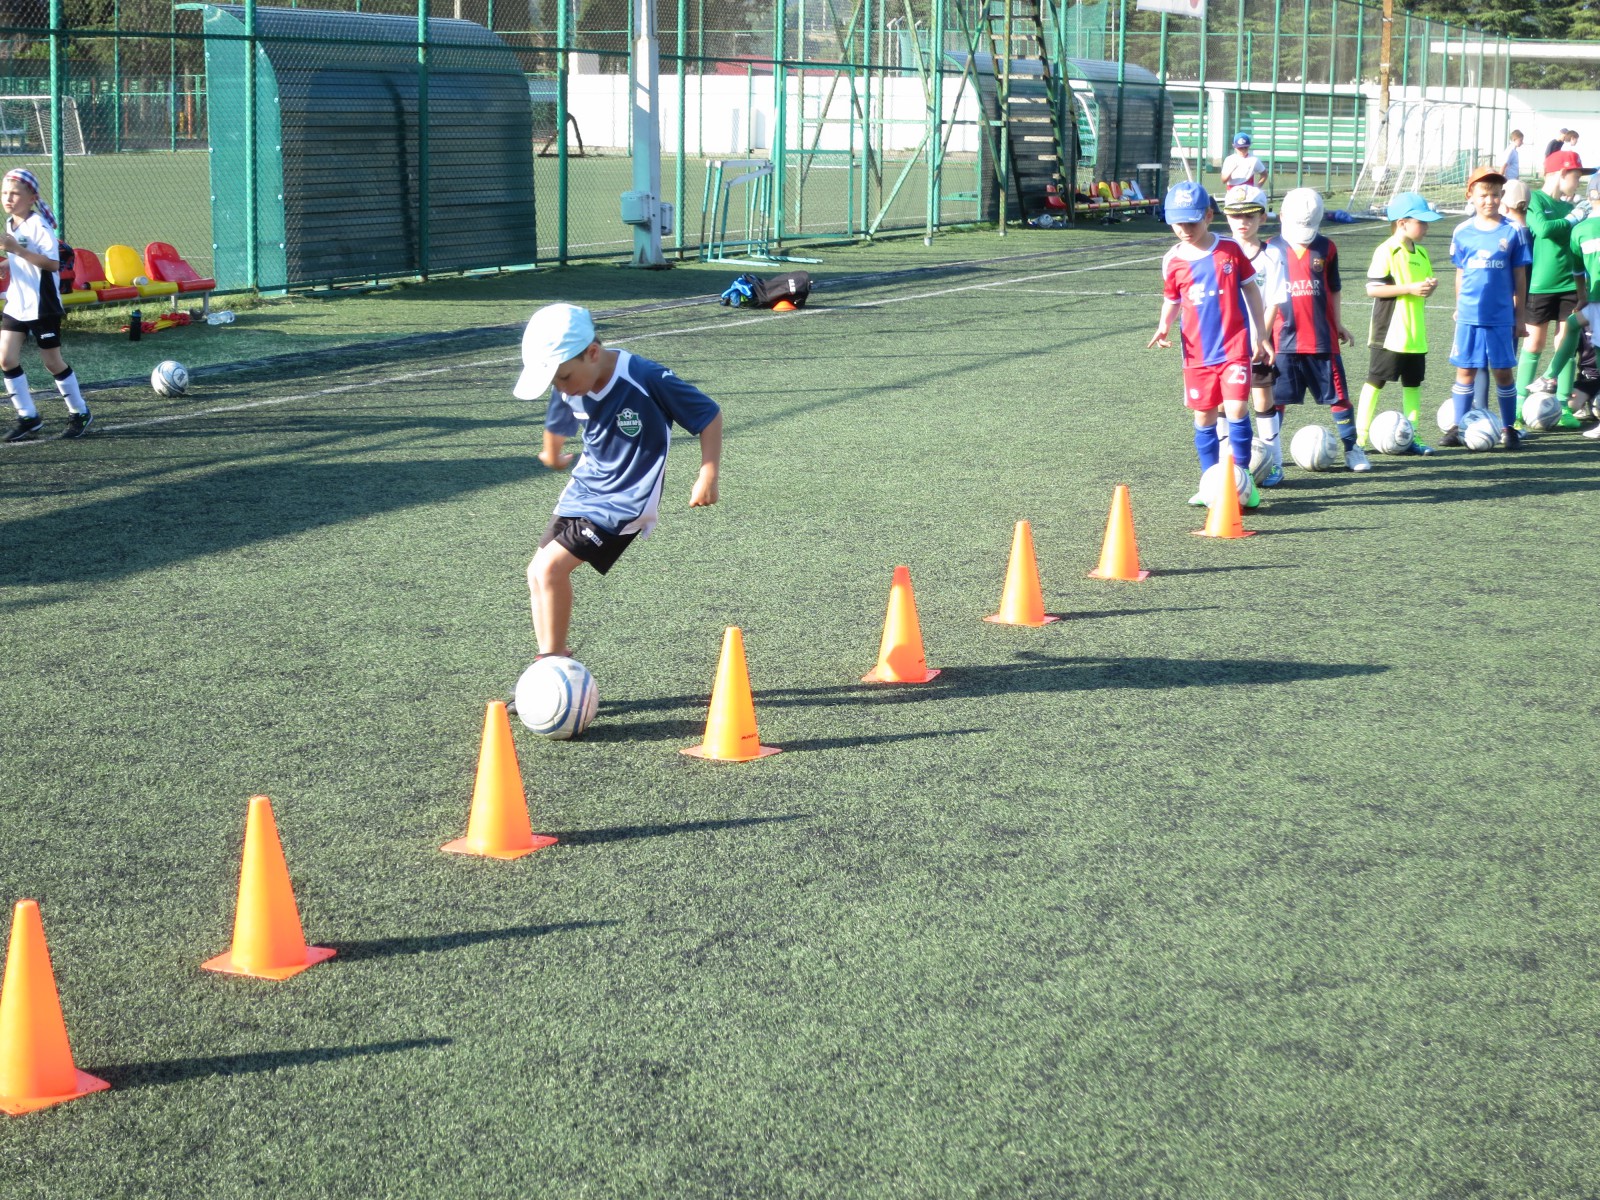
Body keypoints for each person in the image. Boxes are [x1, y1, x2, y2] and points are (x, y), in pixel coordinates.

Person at [514, 303, 723, 662]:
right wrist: (551, 451)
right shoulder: (569, 381)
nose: (561, 387)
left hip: (625, 500)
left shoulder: (643, 377)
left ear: (592, 353)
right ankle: (554, 659)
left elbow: (708, 414)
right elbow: (559, 414)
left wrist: (708, 473)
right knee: (537, 572)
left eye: (563, 378)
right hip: (583, 488)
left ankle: (550, 664)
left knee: (550, 569)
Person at [1148, 179, 1269, 508]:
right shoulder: (1172, 261)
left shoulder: (1229, 250)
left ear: (1208, 216)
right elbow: (1172, 300)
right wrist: (1164, 326)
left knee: (1237, 409)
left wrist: (1259, 332)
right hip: (1197, 355)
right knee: (1204, 418)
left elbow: (1251, 290)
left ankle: (1243, 479)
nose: (1184, 229)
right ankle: (1209, 482)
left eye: (1191, 221)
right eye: (1177, 222)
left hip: (1233, 347)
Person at [1260, 187, 1367, 471]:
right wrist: (1262, 335)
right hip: (1282, 341)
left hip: (1321, 339)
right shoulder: (1269, 248)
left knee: (1339, 396)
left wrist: (1338, 322)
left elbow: (1333, 289)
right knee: (1274, 399)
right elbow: (1264, 296)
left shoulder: (1327, 248)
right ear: (1281, 215)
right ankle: (1270, 454)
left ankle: (1352, 448)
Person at [1442, 166, 1530, 448]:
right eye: (1483, 194)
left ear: (1502, 195)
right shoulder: (1462, 231)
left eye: (1494, 194)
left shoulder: (1513, 230)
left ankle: (1508, 428)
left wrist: (1520, 316)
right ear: (1471, 195)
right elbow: (1460, 273)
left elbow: (1519, 276)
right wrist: (1458, 306)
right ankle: (1458, 426)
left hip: (1501, 316)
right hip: (1469, 315)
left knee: (1503, 371)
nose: (1489, 200)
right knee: (1465, 371)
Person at [0, 168, 90, 442]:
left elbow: (52, 264)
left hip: (42, 305)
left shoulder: (39, 226)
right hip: (17, 302)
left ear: (32, 198)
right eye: (5, 193)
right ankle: (28, 417)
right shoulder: (10, 224)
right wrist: (7, 264)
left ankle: (80, 412)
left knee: (52, 363)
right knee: (5, 359)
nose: (8, 198)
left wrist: (16, 251)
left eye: (15, 193)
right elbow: (23, 260)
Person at [1355, 192, 1441, 453]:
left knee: (1413, 384)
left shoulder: (1423, 253)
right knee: (1375, 381)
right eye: (1421, 222)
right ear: (1403, 222)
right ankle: (1359, 438)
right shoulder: (1387, 250)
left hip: (1416, 334)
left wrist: (1428, 288)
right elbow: (1373, 289)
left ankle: (1412, 436)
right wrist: (1409, 288)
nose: (1426, 227)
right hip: (1390, 331)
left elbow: (1419, 289)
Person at [1220, 183, 1286, 483]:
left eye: (1250, 215)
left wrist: (1261, 335)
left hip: (1258, 341)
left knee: (1261, 400)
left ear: (1262, 218)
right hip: (1224, 341)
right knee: (1224, 402)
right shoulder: (1220, 251)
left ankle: (1273, 463)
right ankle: (1225, 466)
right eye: (1236, 216)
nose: (1242, 222)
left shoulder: (1271, 256)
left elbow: (1273, 300)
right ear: (1226, 217)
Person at [1517, 149, 1587, 424]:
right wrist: (1572, 219)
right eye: (1576, 175)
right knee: (1534, 342)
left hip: (1570, 283)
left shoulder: (1571, 206)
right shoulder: (1535, 199)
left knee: (1566, 343)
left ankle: (1563, 406)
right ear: (1561, 173)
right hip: (1540, 285)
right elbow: (1542, 229)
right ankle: (1520, 404)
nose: (1578, 181)